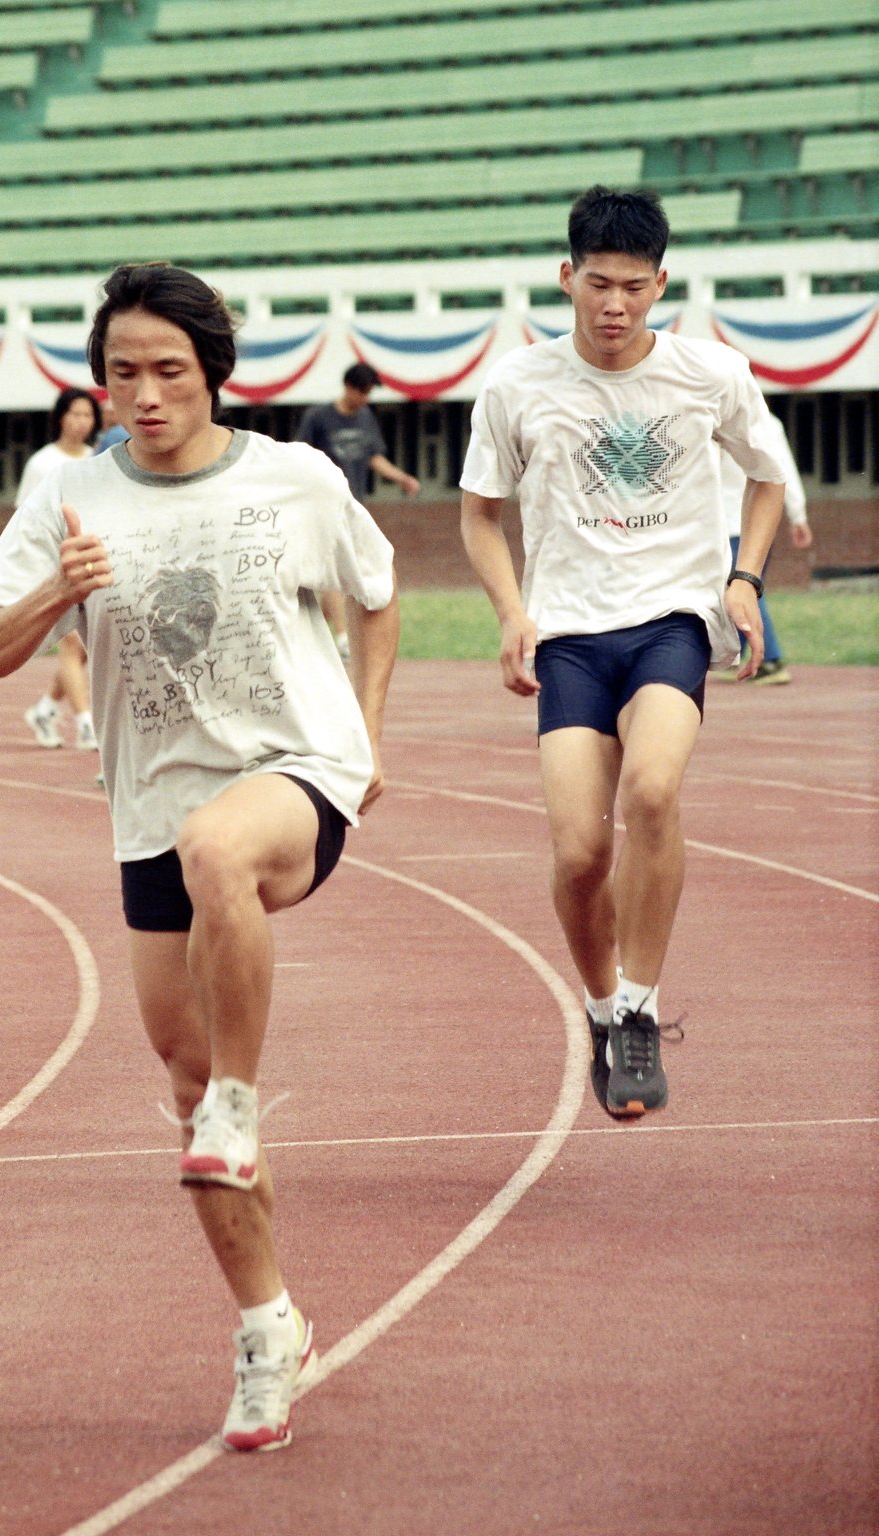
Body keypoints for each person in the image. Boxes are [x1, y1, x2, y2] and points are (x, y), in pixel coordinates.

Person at [0, 261, 399, 1452]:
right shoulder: (68, 497)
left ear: (213, 375)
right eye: (120, 374)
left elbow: (376, 592)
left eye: (166, 371)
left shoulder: (293, 478)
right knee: (183, 1086)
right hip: (149, 804)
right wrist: (60, 585)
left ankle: (245, 1106)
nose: (142, 395)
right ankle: (270, 1333)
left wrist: (365, 731)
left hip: (295, 775)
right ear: (95, 385)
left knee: (220, 855)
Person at [459, 186, 787, 1120]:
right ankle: (602, 1009)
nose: (615, 305)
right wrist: (511, 612)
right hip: (568, 635)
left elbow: (767, 479)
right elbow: (479, 517)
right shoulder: (518, 386)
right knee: (577, 855)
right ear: (566, 279)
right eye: (597, 284)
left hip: (670, 623)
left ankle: (640, 1011)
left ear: (661, 285)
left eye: (634, 287)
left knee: (651, 791)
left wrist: (743, 581)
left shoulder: (710, 374)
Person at [296, 362, 419, 659]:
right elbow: (300, 457)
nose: (365, 398)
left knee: (344, 569)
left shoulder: (365, 418)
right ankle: (341, 637)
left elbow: (373, 457)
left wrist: (401, 477)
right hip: (322, 505)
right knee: (333, 570)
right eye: (362, 391)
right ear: (348, 386)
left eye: (369, 392)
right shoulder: (319, 417)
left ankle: (330, 634)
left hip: (354, 506)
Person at [18, 387, 101, 751]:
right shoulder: (42, 463)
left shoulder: (97, 459)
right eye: (75, 414)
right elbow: (24, 519)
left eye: (88, 415)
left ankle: (46, 708)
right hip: (54, 567)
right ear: (60, 418)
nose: (82, 422)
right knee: (72, 643)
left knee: (81, 647)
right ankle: (86, 726)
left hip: (89, 561)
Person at [714, 411, 812, 685]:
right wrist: (798, 515)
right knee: (747, 588)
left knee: (747, 590)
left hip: (734, 527)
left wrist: (799, 515)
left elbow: (779, 472)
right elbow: (785, 470)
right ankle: (744, 655)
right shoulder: (769, 423)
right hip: (754, 526)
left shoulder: (717, 419)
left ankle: (772, 660)